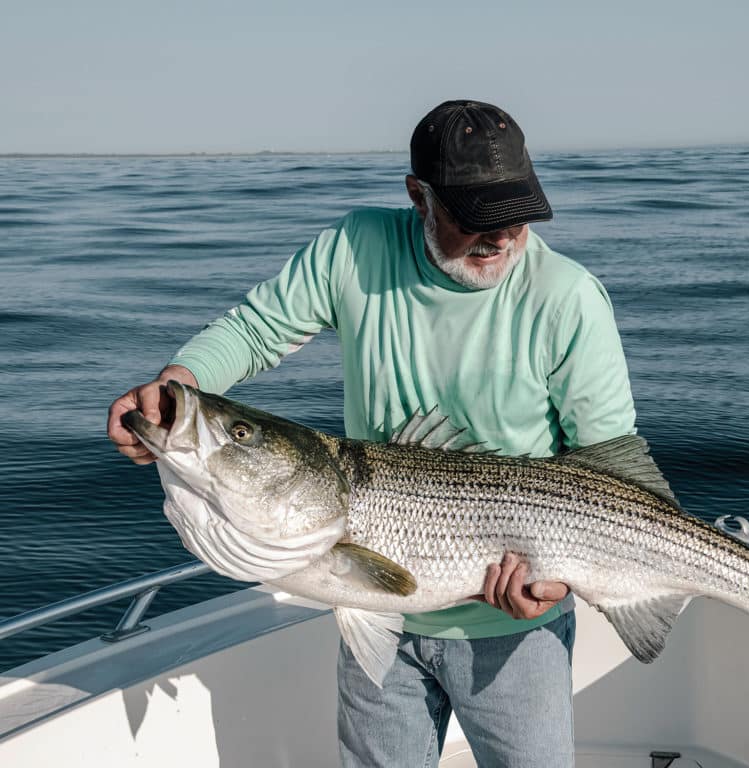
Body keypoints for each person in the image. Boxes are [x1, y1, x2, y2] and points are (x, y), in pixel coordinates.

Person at [107, 100, 636, 767]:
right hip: (369, 619)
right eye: (475, 219)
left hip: (514, 633)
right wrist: (178, 381)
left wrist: (560, 583)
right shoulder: (356, 249)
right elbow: (255, 329)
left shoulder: (568, 298)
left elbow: (611, 467)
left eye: (517, 215)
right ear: (418, 195)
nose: (501, 239)